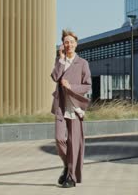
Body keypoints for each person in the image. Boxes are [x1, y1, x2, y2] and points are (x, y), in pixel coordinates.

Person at [50, 29, 92, 188]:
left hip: (75, 108)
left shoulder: (83, 63)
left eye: (72, 42)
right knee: (60, 139)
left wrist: (71, 86)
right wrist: (60, 60)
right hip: (61, 106)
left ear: (76, 44)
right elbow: (55, 77)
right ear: (63, 44)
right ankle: (68, 165)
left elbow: (87, 86)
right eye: (66, 42)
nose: (69, 45)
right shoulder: (59, 61)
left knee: (74, 143)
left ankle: (71, 177)